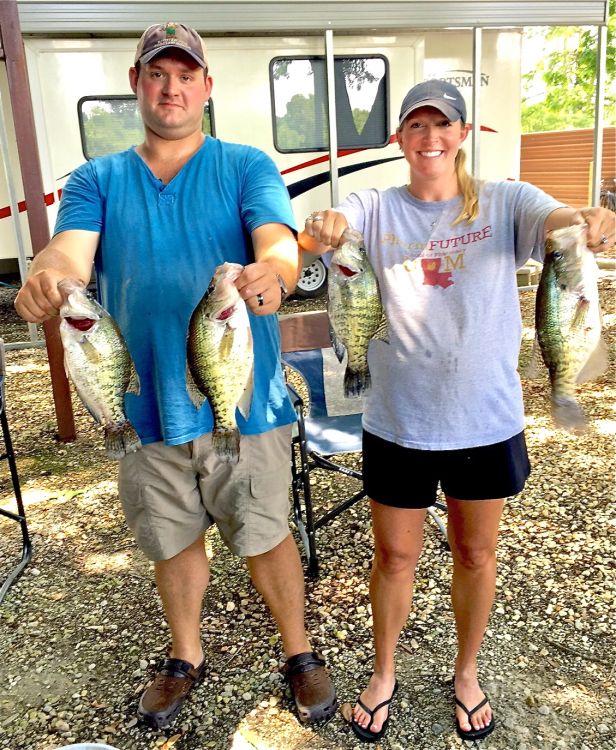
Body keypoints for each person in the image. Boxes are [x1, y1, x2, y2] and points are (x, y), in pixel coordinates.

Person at [14, 21, 337, 730]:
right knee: (172, 537)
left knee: (266, 531)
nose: (172, 88)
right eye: (157, 74)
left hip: (243, 401)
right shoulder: (97, 179)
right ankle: (185, 655)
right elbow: (70, 253)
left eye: (186, 75)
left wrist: (275, 273)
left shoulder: (245, 165)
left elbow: (278, 241)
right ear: (136, 84)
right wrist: (47, 277)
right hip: (145, 403)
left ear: (206, 87)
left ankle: (299, 650)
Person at [299, 79, 615, 743]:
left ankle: (466, 672)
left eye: (442, 124)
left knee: (475, 553)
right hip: (398, 421)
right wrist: (325, 225)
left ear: (463, 133)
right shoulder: (376, 206)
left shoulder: (505, 201)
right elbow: (337, 221)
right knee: (394, 557)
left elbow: (556, 220)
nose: (430, 137)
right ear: (399, 139)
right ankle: (384, 671)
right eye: (416, 125)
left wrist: (585, 220)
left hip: (486, 419)